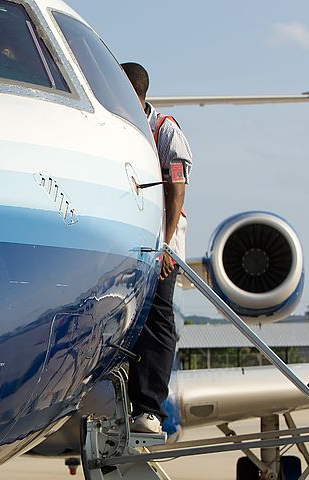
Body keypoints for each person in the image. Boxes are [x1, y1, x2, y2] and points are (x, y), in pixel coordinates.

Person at [121, 62, 193, 434]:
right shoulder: (117, 127)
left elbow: (177, 190)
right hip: (128, 244)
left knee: (157, 319)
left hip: (161, 245)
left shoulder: (165, 131)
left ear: (137, 93)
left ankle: (149, 407)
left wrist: (165, 247)